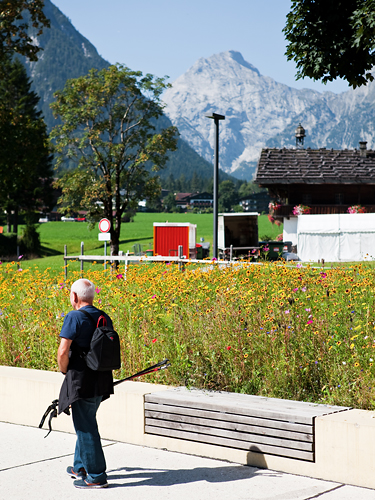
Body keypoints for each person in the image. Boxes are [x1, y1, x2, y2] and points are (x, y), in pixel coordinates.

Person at [57, 278, 114, 489]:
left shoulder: (74, 317)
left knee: (86, 426)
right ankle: (79, 466)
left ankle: (96, 475)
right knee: (86, 420)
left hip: (82, 381)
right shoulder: (104, 316)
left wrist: (64, 369)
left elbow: (63, 351)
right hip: (101, 380)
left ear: (74, 297)